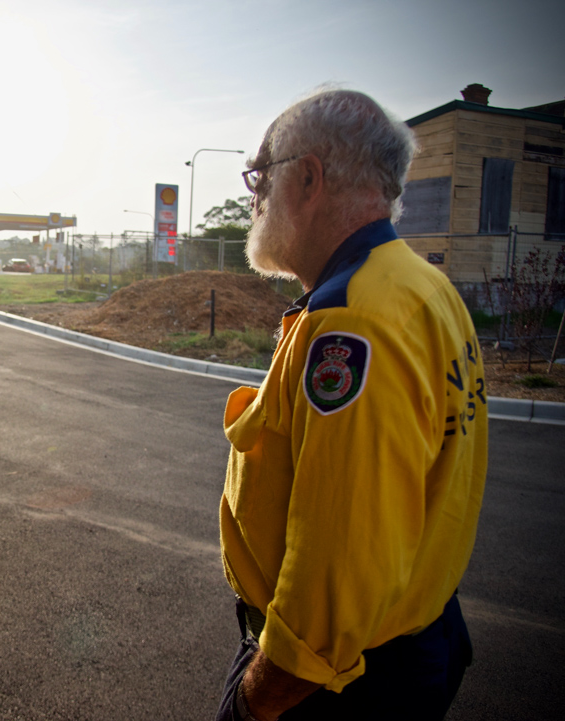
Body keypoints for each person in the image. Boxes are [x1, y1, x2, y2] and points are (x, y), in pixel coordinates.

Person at [214, 89, 487, 721]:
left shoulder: (352, 323)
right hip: (408, 642)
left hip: (332, 683)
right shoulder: (424, 286)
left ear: (307, 177)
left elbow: (331, 576)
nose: (254, 197)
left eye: (260, 175)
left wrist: (257, 702)